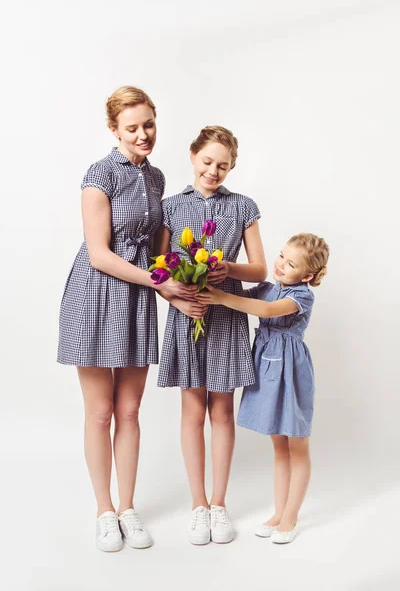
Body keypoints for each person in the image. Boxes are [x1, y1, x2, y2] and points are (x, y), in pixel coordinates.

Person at [57, 86, 178, 552]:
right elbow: (99, 254)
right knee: (101, 411)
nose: (143, 134)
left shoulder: (158, 177)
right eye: (132, 128)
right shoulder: (99, 174)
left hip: (138, 297)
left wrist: (178, 279)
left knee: (130, 410)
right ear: (114, 130)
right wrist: (157, 281)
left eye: (149, 124)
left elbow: (159, 250)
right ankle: (104, 511)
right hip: (95, 295)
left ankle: (129, 508)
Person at [157, 126, 267, 545]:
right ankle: (197, 505)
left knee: (221, 411)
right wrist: (179, 297)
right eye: (207, 162)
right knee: (192, 410)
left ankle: (219, 504)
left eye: (222, 165)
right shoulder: (170, 207)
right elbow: (160, 267)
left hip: (226, 312)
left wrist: (226, 268)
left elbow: (258, 268)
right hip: (188, 312)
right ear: (192, 156)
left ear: (232, 166)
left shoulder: (243, 206)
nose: (213, 170)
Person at [197, 233, 329, 544]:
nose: (281, 264)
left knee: (297, 446)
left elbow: (266, 311)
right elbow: (245, 295)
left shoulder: (302, 296)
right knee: (278, 447)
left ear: (308, 275)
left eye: (291, 263)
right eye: (281, 256)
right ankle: (279, 512)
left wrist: (222, 298)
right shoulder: (268, 288)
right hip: (268, 370)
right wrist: (208, 280)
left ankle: (292, 516)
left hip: (291, 372)